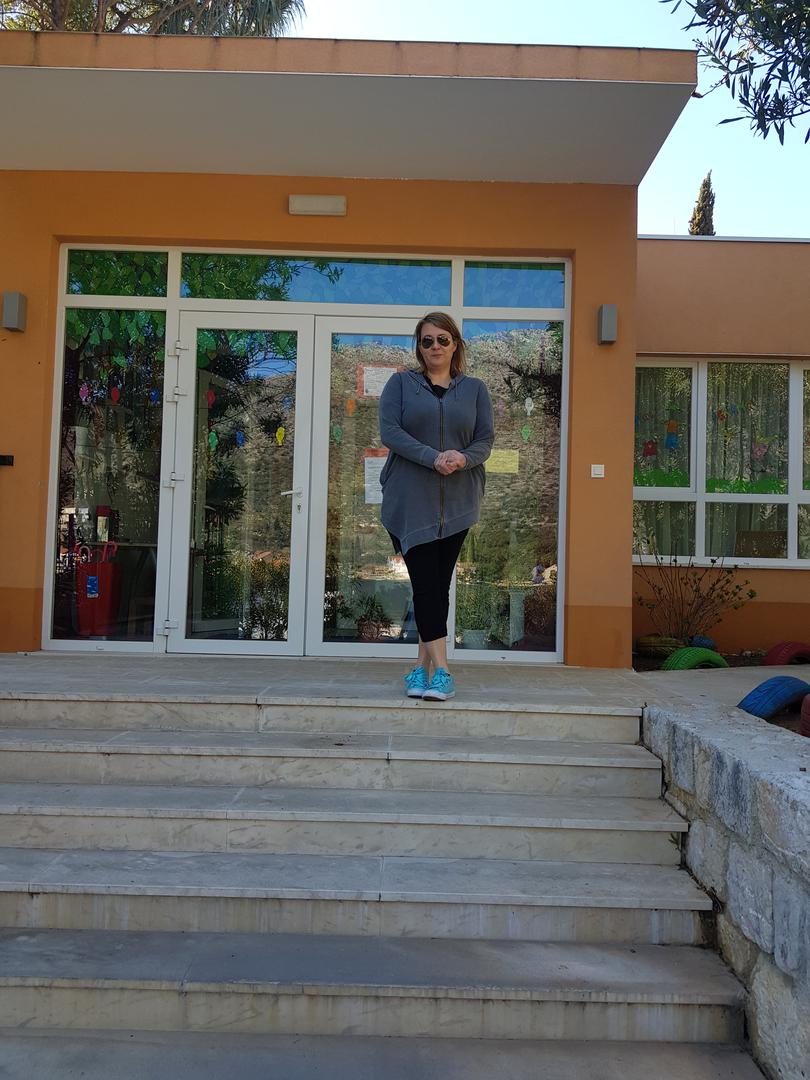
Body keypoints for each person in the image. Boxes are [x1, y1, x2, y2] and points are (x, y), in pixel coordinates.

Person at [378, 312, 494, 701]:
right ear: (419, 347)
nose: (435, 347)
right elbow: (390, 432)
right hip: (410, 503)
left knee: (436, 588)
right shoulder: (400, 384)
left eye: (443, 339)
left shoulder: (475, 389)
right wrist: (433, 457)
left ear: (455, 344)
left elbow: (484, 441)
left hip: (458, 503)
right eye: (427, 341)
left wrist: (462, 458)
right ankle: (443, 672)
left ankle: (420, 669)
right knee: (426, 585)